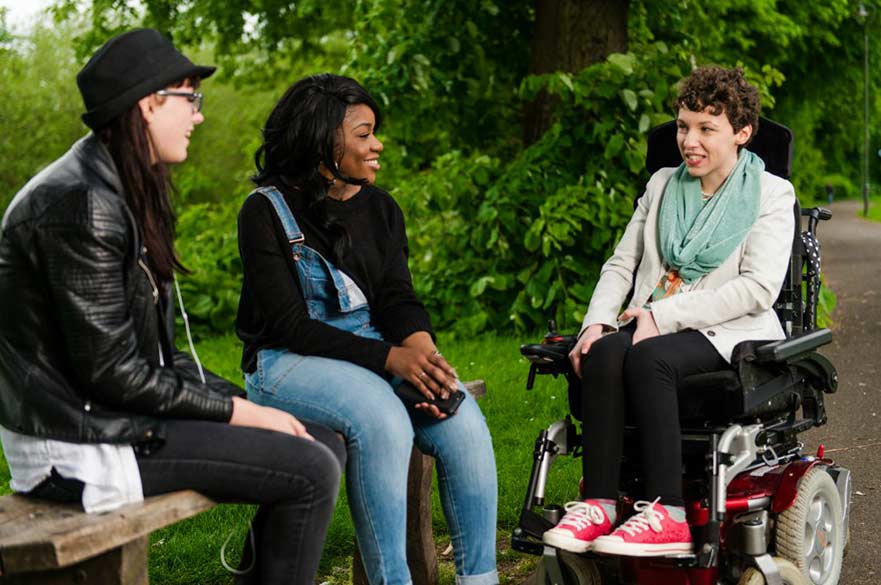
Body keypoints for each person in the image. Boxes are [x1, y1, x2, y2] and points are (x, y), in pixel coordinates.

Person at [0, 29, 344, 585]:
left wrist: (237, 401)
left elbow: (158, 356)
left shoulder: (119, 186)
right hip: (80, 445)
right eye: (191, 98)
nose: (199, 116)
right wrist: (242, 411)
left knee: (318, 440)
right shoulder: (83, 204)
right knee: (308, 469)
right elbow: (112, 373)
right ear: (148, 102)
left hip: (118, 419)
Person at [236, 73, 499, 585]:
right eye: (363, 133)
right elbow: (292, 326)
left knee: (462, 420)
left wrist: (423, 355)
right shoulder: (265, 211)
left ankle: (480, 580)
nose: (377, 144)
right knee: (383, 418)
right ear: (323, 141)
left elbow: (396, 297)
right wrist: (390, 363)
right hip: (285, 362)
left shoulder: (381, 209)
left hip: (373, 354)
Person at [542, 66, 795, 557]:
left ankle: (668, 515)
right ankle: (600, 503)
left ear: (741, 133)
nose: (689, 141)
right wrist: (595, 322)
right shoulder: (662, 184)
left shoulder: (771, 194)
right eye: (683, 126)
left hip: (728, 328)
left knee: (646, 357)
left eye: (706, 129)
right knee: (601, 353)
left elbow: (758, 288)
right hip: (651, 318)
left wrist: (665, 316)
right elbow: (622, 262)